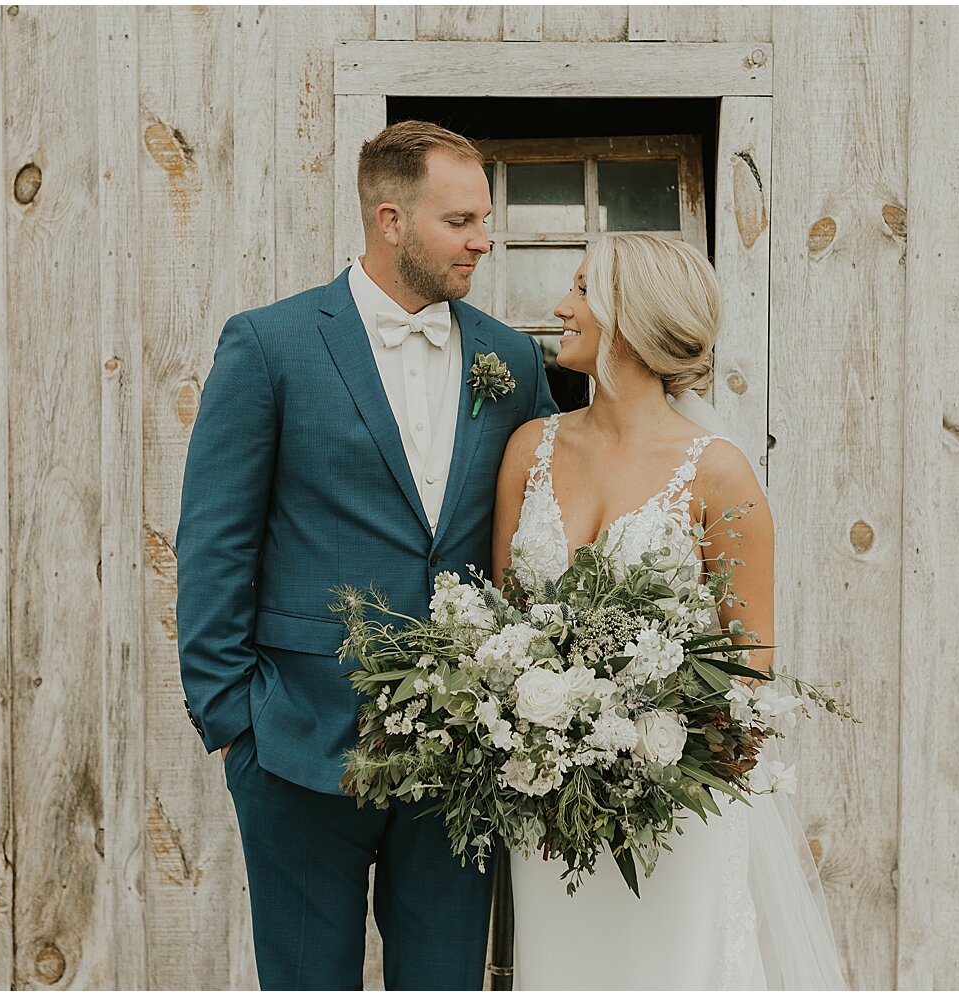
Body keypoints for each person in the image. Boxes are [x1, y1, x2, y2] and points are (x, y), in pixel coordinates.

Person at [177, 120, 557, 990]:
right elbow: (213, 544)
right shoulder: (269, 345)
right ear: (390, 219)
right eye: (460, 221)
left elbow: (528, 542)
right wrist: (235, 724)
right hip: (300, 746)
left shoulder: (509, 358)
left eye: (485, 219)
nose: (483, 240)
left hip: (464, 754)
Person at [492, 233, 847, 989]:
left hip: (670, 806)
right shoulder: (530, 449)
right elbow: (500, 626)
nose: (561, 307)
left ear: (632, 316)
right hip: (547, 807)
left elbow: (749, 666)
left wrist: (641, 753)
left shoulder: (716, 472)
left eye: (583, 290)